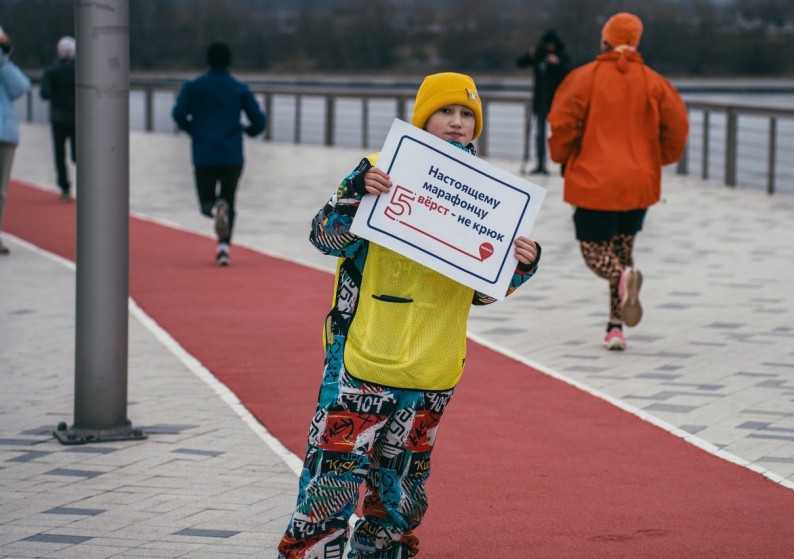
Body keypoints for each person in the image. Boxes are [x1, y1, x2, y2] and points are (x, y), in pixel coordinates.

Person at [276, 72, 541, 559]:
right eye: (446, 112)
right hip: (362, 352)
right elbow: (324, 237)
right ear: (423, 117)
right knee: (333, 473)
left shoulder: (492, 199)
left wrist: (520, 266)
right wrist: (356, 195)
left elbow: (482, 295)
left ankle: (382, 551)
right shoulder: (379, 168)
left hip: (433, 358)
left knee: (402, 483)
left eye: (467, 115)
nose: (457, 123)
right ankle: (313, 550)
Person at [547, 12, 688, 351]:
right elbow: (678, 127)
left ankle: (622, 287)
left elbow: (562, 122)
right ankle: (615, 327)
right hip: (638, 182)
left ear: (604, 40)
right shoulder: (655, 82)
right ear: (636, 41)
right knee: (624, 253)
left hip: (595, 181)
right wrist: (660, 159)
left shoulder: (584, 77)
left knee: (595, 252)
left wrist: (563, 156)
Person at [172, 42, 266, 266]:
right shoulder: (239, 88)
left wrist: (193, 130)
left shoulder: (193, 87)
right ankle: (223, 249)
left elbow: (178, 114)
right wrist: (247, 131)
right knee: (230, 200)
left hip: (204, 154)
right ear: (229, 61)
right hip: (232, 154)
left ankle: (215, 209)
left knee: (207, 201)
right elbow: (259, 121)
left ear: (208, 60)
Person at [516, 30, 571, 175]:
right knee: (539, 133)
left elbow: (570, 73)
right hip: (540, 100)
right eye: (548, 45)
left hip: (557, 101)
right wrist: (530, 54)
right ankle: (540, 163)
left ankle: (563, 164)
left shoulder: (561, 56)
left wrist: (558, 63)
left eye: (552, 45)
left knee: (560, 133)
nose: (550, 48)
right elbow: (520, 63)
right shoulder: (539, 55)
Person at [0, 25, 31, 255]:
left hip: (5, 132)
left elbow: (21, 86)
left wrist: (3, 60)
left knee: (1, 190)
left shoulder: (4, 69)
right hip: (5, 131)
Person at [40, 36, 76, 202]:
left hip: (59, 118)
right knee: (80, 154)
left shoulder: (51, 71)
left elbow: (45, 94)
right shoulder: (82, 70)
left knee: (59, 153)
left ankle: (65, 188)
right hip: (79, 118)